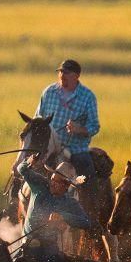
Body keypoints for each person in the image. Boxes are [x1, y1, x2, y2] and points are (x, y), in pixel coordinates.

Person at [15, 154, 91, 262]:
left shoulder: (70, 203)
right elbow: (22, 170)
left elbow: (86, 222)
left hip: (49, 246)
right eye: (52, 179)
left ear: (66, 186)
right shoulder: (39, 183)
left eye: (57, 181)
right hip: (28, 243)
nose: (52, 183)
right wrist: (29, 162)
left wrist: (64, 216)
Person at [34, 59, 99, 199]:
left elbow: (94, 126)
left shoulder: (87, 97)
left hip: (75, 149)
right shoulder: (49, 92)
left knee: (88, 179)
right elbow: (38, 118)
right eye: (61, 72)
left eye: (66, 73)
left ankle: (91, 210)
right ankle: (16, 203)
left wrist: (79, 129)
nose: (62, 76)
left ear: (76, 76)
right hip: (48, 148)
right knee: (26, 170)